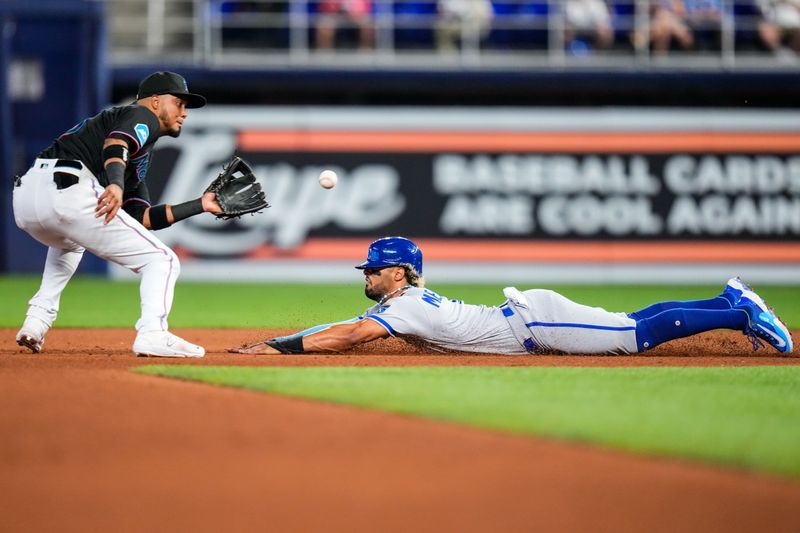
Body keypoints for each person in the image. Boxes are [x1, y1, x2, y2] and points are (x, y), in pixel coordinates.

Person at [232, 236, 794, 356]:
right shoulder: (398, 304)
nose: (368, 276)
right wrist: (281, 340)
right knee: (631, 321)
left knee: (633, 334)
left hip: (537, 324)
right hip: (532, 319)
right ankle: (731, 298)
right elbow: (349, 323)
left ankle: (741, 310)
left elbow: (351, 334)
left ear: (400, 274)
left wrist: (280, 351)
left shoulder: (399, 307)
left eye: (374, 270)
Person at [13, 71, 223, 358]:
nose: (184, 113)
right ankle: (153, 333)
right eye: (179, 103)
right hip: (69, 190)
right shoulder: (140, 115)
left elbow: (140, 219)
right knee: (162, 260)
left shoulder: (138, 161)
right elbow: (116, 143)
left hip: (28, 197)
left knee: (70, 244)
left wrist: (200, 204)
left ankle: (35, 322)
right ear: (155, 101)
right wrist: (114, 182)